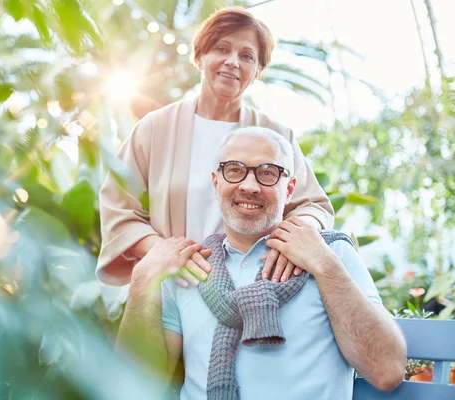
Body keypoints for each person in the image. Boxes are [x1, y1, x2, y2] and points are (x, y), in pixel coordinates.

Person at [116, 128, 406, 399]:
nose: (250, 185)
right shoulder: (187, 266)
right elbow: (136, 386)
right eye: (234, 170)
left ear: (290, 189)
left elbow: (386, 370)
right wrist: (142, 279)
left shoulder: (331, 253)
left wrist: (325, 266)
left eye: (268, 173)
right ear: (216, 183)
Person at [98, 7, 334, 288]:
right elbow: (119, 208)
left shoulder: (276, 135)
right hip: (172, 288)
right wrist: (161, 251)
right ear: (199, 57)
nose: (233, 62)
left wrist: (290, 240)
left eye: (247, 56)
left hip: (253, 290)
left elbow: (314, 206)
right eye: (221, 49)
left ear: (258, 70)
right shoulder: (153, 129)